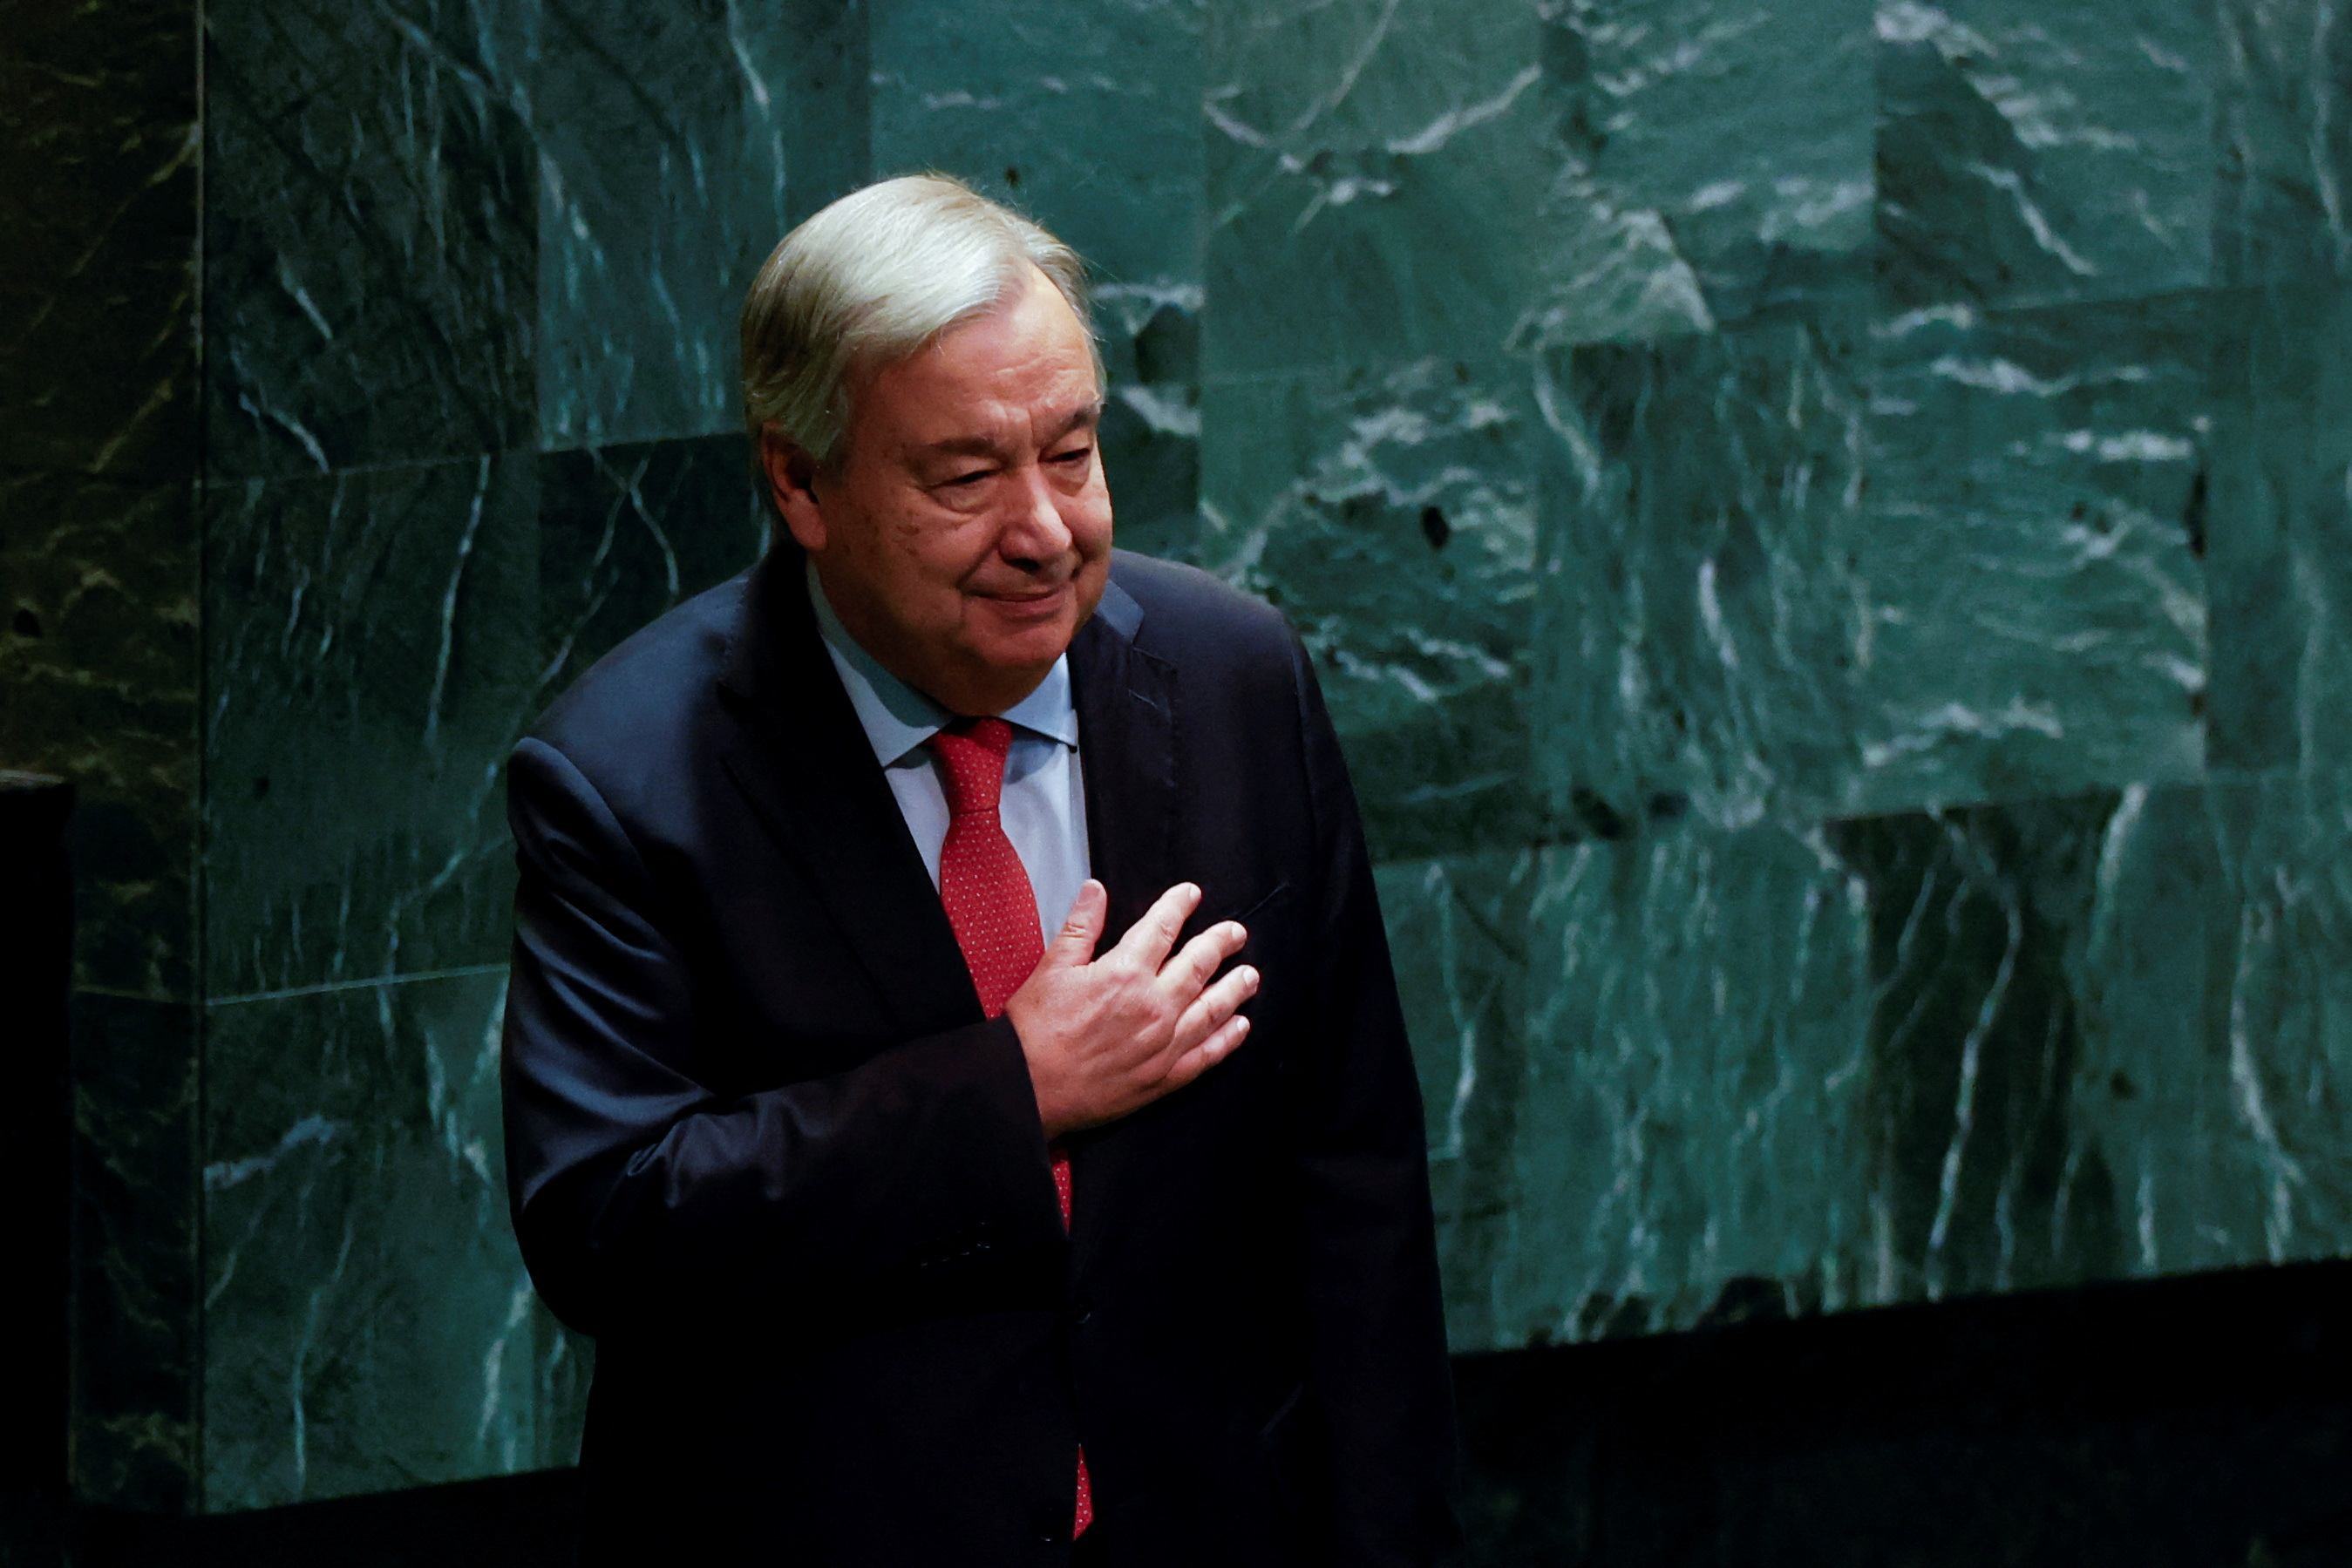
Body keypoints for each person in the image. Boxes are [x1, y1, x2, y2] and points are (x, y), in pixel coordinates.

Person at [500, 173, 1459, 1567]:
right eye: (965, 477)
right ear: (798, 479)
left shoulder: (1233, 678)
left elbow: (1356, 1187)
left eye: (1070, 455)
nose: (1045, 530)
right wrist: (1009, 1094)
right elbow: (609, 1222)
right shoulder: (627, 775)